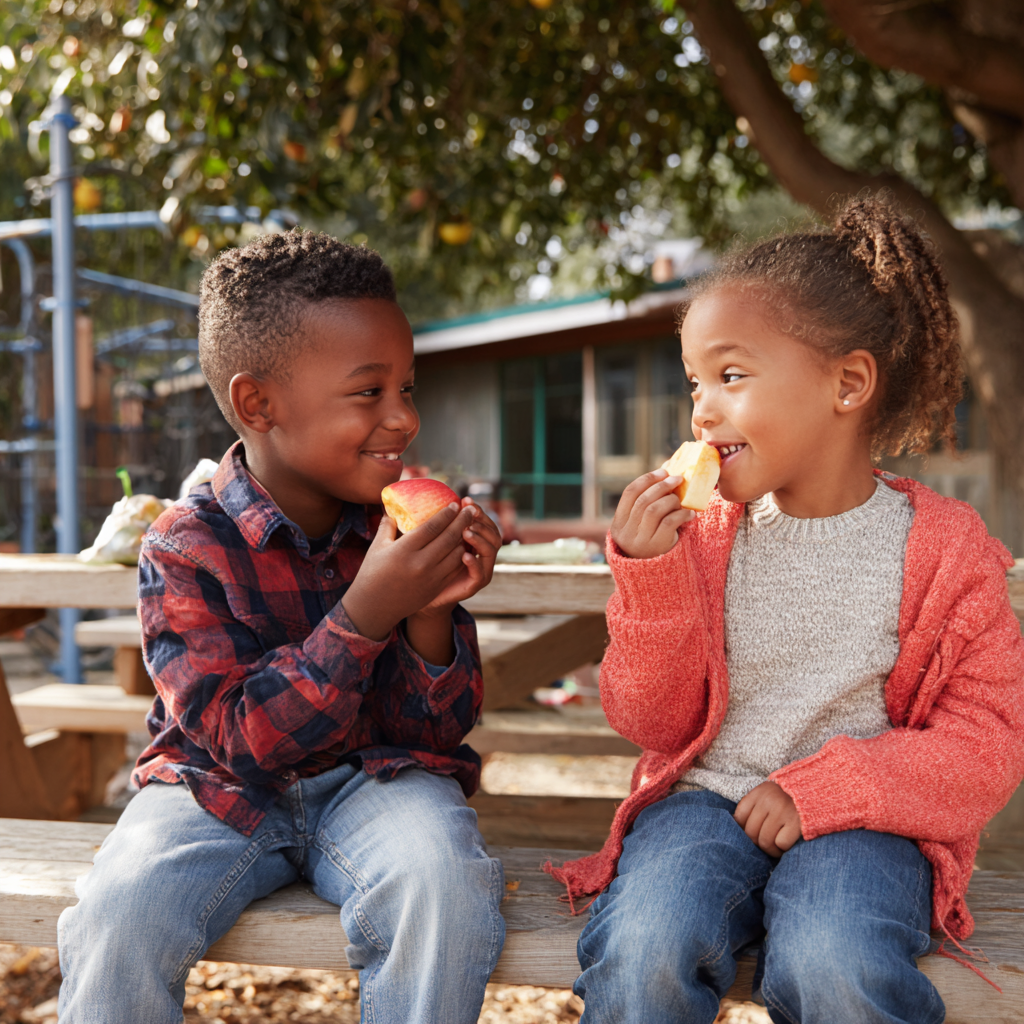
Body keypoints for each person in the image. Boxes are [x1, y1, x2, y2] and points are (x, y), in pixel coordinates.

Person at [549, 194, 1024, 1024]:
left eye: (731, 376)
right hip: (702, 804)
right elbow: (650, 722)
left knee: (835, 961)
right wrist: (652, 578)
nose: (701, 408)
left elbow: (985, 746)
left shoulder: (946, 549)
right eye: (695, 381)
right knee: (645, 946)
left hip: (868, 824)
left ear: (847, 384)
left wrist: (828, 789)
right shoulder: (700, 538)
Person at [57, 230, 506, 1024]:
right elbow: (242, 739)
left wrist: (428, 615)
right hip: (214, 788)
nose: (403, 418)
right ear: (258, 403)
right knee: (116, 914)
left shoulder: (396, 528)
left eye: (408, 387)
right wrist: (368, 613)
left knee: (444, 885)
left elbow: (434, 735)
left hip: (378, 780)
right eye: (370, 393)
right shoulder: (184, 546)